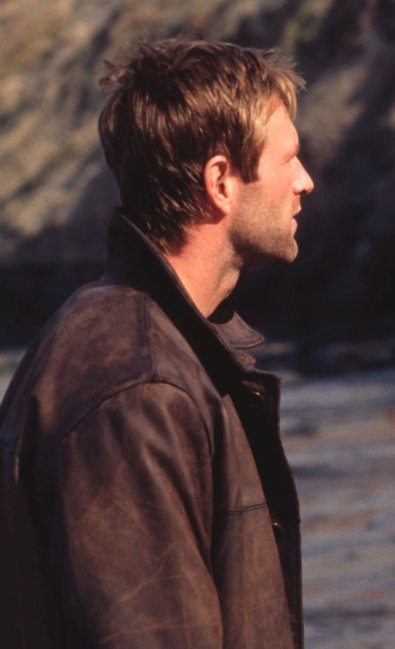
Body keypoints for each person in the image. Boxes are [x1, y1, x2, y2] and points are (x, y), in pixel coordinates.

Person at [0, 39, 314, 648]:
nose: (305, 181)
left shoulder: (160, 351)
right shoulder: (137, 387)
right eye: (290, 159)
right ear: (221, 181)